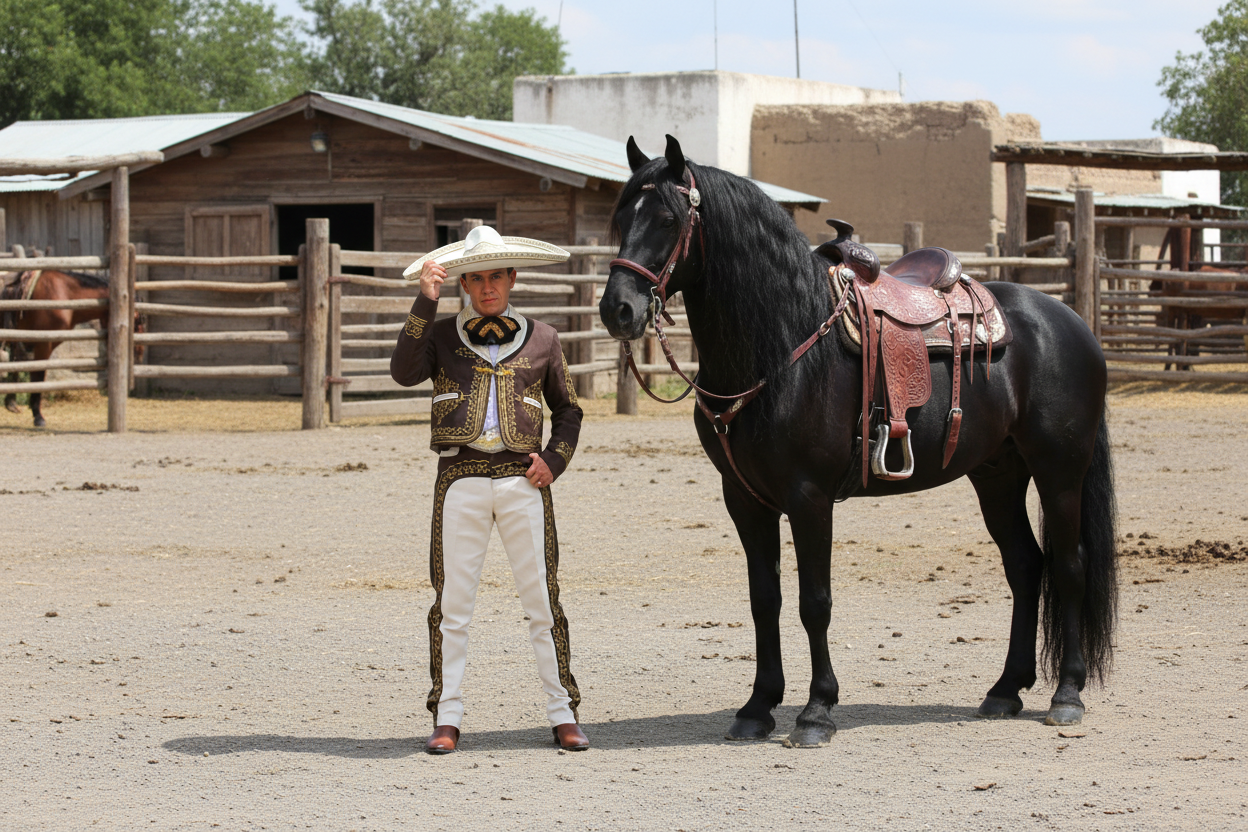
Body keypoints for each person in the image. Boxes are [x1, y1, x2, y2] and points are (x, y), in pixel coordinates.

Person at [391, 225, 588, 754]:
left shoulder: (544, 337)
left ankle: (563, 711)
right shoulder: (437, 333)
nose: (487, 287)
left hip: (524, 480)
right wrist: (424, 301)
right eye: (475, 278)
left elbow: (568, 410)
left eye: (495, 276)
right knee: (453, 603)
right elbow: (403, 373)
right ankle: (446, 716)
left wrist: (554, 460)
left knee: (542, 599)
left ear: (512, 277)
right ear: (462, 283)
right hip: (460, 478)